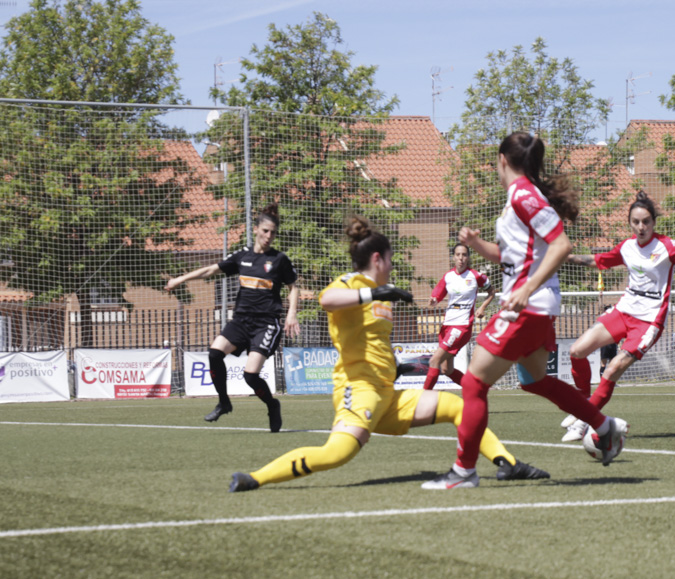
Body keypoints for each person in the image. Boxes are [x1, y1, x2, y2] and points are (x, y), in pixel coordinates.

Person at [229, 216, 550, 492]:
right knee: (337, 453)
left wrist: (395, 365)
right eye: (391, 260)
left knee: (458, 406)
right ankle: (254, 478)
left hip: (387, 393)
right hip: (358, 391)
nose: (392, 266)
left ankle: (507, 464)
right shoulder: (351, 283)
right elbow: (327, 300)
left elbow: (373, 342)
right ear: (379, 259)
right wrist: (374, 291)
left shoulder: (383, 298)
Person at [423, 131, 629, 490]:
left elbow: (561, 245)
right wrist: (477, 245)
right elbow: (512, 258)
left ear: (503, 159)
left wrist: (526, 290)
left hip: (527, 307)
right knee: (534, 381)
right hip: (536, 307)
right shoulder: (516, 198)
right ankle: (603, 425)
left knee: (473, 383)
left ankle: (463, 472)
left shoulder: (523, 195)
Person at [559, 191, 675, 441]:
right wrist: (565, 258)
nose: (641, 227)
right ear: (630, 223)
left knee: (613, 367)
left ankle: (585, 422)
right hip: (623, 311)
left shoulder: (667, 246)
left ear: (654, 223)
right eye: (636, 222)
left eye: (646, 221)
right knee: (576, 351)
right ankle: (583, 403)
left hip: (649, 321)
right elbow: (598, 260)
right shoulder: (627, 247)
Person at [165, 203, 299, 432]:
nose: (269, 236)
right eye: (265, 231)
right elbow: (210, 270)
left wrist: (291, 314)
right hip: (241, 321)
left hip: (266, 324)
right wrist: (180, 279)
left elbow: (293, 287)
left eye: (273, 232)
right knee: (215, 353)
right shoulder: (242, 256)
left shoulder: (279, 260)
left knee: (250, 375)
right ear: (256, 229)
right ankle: (224, 402)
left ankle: (272, 404)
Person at [423, 243, 495, 390]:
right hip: (447, 326)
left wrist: (482, 307)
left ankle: (422, 399)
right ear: (453, 257)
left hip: (461, 326)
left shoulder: (475, 276)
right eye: (458, 255)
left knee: (434, 360)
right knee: (446, 370)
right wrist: (434, 299)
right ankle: (476, 389)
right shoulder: (448, 276)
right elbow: (438, 293)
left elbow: (492, 292)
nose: (461, 258)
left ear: (468, 257)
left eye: (464, 255)